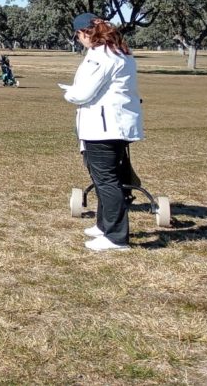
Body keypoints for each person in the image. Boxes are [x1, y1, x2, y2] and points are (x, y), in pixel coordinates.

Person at [60, 13, 144, 251]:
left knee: (107, 180)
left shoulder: (102, 56)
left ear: (85, 32)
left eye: (78, 35)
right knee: (103, 178)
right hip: (111, 124)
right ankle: (104, 225)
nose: (79, 40)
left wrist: (69, 94)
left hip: (103, 127)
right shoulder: (117, 51)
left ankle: (116, 236)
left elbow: (83, 92)